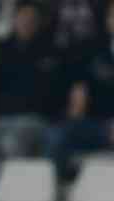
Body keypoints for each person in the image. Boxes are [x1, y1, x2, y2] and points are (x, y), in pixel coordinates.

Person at [0, 0, 65, 194]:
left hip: (35, 121)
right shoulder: (0, 49)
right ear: (14, 19)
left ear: (39, 22)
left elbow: (60, 91)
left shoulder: (51, 51)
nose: (26, 22)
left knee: (13, 143)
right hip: (0, 121)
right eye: (22, 17)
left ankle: (16, 194)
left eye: (31, 19)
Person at [46, 0, 114, 177]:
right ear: (107, 19)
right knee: (59, 134)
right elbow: (79, 93)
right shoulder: (91, 50)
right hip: (100, 125)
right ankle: (64, 183)